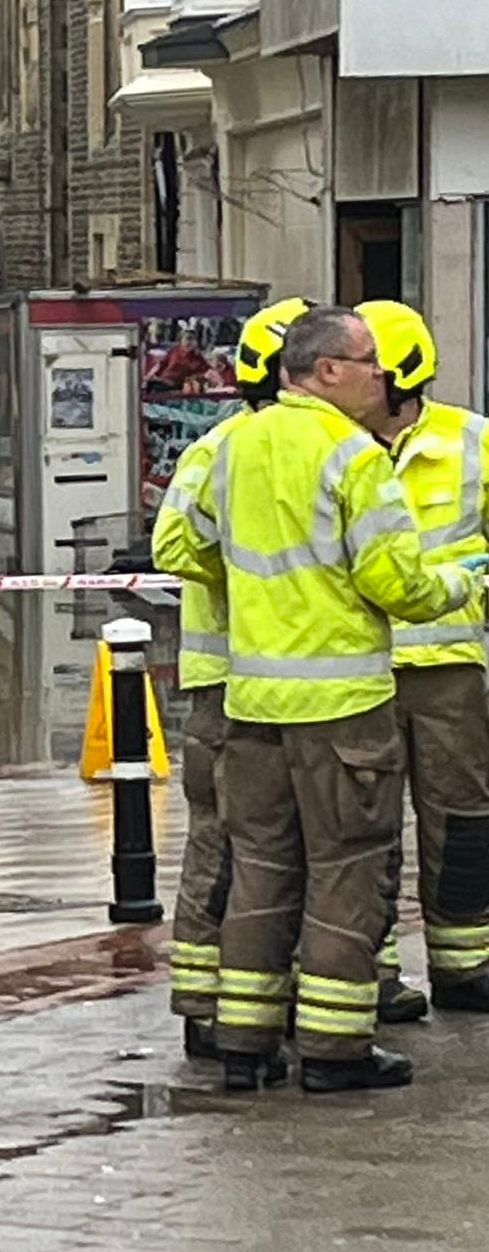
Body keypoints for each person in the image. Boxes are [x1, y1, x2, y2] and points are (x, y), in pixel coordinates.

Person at [158, 305, 481, 1094]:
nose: (381, 375)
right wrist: (462, 580)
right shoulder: (350, 454)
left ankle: (242, 1041)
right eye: (368, 361)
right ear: (327, 369)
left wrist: (252, 581)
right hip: (340, 703)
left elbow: (182, 541)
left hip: (252, 701)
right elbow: (392, 583)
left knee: (263, 868)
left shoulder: (231, 444)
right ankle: (336, 1051)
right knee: (345, 870)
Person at [153, 296, 310, 1061]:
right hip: (234, 682)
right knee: (237, 846)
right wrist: (253, 571)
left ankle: (233, 1005)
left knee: (244, 847)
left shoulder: (225, 447)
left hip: (251, 677)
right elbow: (175, 544)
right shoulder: (226, 448)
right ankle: (217, 1007)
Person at [358, 300, 489, 1015]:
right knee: (363, 826)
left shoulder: (473, 441)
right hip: (356, 668)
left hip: (447, 668)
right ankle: (369, 973)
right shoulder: (332, 446)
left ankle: (464, 966)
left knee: (461, 818)